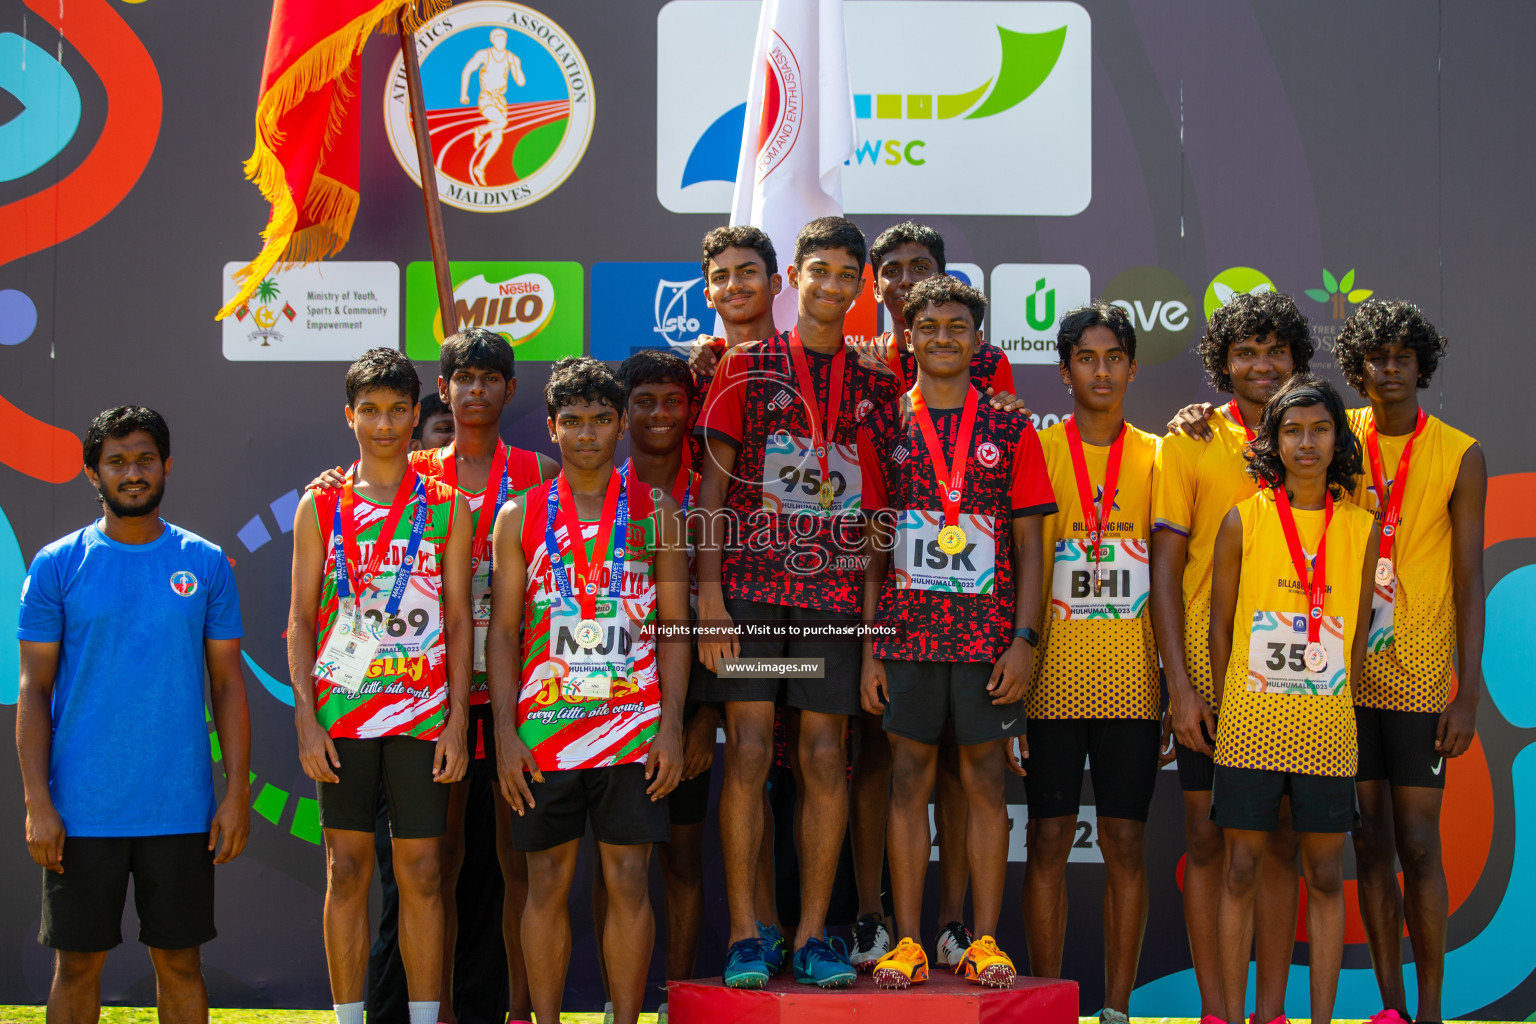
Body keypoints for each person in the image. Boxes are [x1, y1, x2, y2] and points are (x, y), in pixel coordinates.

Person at [696, 215, 903, 989]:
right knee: (748, 754)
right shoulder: (744, 366)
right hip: (749, 590)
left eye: (847, 275)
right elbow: (713, 486)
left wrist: (878, 620)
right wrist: (710, 596)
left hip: (835, 593)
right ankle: (747, 934)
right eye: (819, 271)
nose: (831, 286)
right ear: (795, 280)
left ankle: (816, 935)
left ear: (859, 289)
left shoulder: (879, 381)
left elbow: (885, 508)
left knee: (824, 757)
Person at [17, 406, 251, 1024]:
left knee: (180, 967)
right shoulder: (56, 566)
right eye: (116, 461)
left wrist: (235, 795)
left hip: (179, 808)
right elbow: (33, 691)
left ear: (167, 465)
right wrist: (38, 802)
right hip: (79, 810)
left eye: (145, 458)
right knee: (76, 969)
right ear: (92, 472)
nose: (133, 472)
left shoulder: (204, 563)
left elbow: (228, 685)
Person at [856, 275, 1052, 991]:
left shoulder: (1009, 426)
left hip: (986, 641)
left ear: (978, 339)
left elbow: (1034, 546)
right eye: (927, 325)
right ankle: (907, 941)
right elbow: (875, 543)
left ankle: (981, 939)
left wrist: (1024, 639)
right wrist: (873, 645)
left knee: (984, 787)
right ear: (907, 337)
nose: (942, 336)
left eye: (956, 325)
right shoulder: (882, 425)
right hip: (907, 637)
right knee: (907, 782)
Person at [485, 356, 689, 1024]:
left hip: (633, 731)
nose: (586, 434)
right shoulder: (520, 516)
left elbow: (674, 632)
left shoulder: (656, 511)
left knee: (629, 881)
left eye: (601, 419)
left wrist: (672, 727)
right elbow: (504, 632)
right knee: (544, 884)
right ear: (551, 428)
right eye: (571, 421)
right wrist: (506, 735)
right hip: (546, 736)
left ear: (620, 426)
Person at [287, 348, 473, 1024]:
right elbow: (301, 620)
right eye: (370, 410)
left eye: (398, 411)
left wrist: (457, 720)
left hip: (423, 718)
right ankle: (348, 1019)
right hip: (343, 719)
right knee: (347, 871)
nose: (385, 425)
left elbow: (457, 617)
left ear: (416, 414)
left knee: (424, 873)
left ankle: (424, 1020)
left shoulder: (448, 506)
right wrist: (308, 722)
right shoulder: (323, 503)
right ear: (349, 416)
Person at [1150, 290, 1313, 1022]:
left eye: (1276, 350)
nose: (1261, 364)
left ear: (1296, 360)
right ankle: (1216, 1011)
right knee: (1207, 839)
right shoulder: (1189, 439)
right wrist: (1179, 686)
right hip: (1209, 679)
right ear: (1223, 362)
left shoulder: (1318, 438)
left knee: (1280, 843)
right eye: (1246, 351)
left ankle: (1271, 1012)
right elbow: (1162, 568)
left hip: (1292, 676)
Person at [1333, 301, 1485, 1024]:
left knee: (1419, 843)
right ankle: (1390, 1008)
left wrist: (1468, 694)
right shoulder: (1334, 438)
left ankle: (1430, 1010)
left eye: (1403, 357)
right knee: (1369, 843)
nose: (1389, 370)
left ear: (1422, 365)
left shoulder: (1460, 452)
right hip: (1341, 677)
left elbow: (1468, 579)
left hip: (1421, 679)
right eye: (1376, 358)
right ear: (1356, 368)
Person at [1209, 373, 1378, 1024]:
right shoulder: (1242, 521)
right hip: (1250, 727)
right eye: (1292, 430)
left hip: (1327, 729)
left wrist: (1333, 702)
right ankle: (1236, 1014)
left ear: (1338, 439)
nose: (1306, 443)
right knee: (1241, 869)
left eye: (1319, 429)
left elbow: (1359, 634)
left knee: (1327, 877)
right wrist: (1232, 710)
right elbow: (1221, 628)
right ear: (1272, 441)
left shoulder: (1361, 527)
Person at [1020, 302, 1163, 1023]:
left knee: (1125, 843)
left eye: (1114, 359)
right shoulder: (1038, 449)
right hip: (1047, 685)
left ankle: (1116, 1009)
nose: (1101, 371)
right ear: (1065, 368)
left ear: (1133, 369)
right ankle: (1047, 1001)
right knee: (1046, 837)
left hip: (1133, 686)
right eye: (1087, 358)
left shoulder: (1160, 455)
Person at [589, 349, 716, 1024]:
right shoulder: (589, 488)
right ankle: (623, 1002)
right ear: (622, 413)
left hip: (688, 702)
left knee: (683, 858)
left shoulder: (716, 490)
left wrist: (700, 719)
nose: (660, 414)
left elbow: (731, 618)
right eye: (645, 401)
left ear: (690, 409)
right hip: (603, 704)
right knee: (618, 863)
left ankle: (677, 1000)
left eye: (672, 401)